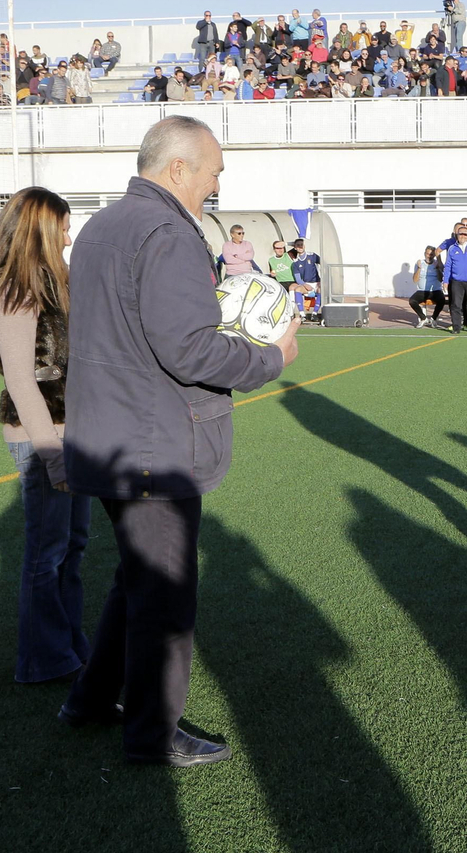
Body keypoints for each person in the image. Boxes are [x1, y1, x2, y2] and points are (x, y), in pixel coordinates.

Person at [60, 116, 300, 767]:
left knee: (135, 581)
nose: (215, 187)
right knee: (163, 594)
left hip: (107, 435)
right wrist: (270, 358)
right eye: (213, 174)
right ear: (178, 169)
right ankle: (151, 736)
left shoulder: (102, 225)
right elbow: (189, 349)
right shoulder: (167, 230)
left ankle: (90, 700)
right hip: (152, 442)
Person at [0, 187, 92, 685]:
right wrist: (53, 454)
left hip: (73, 432)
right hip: (41, 435)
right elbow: (22, 381)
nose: (68, 236)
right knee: (48, 552)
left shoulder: (52, 280)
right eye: (63, 226)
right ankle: (42, 660)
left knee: (73, 546)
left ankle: (68, 646)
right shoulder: (13, 289)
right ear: (41, 228)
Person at [410, 245, 446, 327]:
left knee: (442, 300)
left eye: (431, 254)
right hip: (422, 290)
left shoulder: (437, 264)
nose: (429, 256)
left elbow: (441, 279)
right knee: (412, 301)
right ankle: (423, 318)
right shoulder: (420, 263)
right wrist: (419, 268)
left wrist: (437, 269)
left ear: (434, 255)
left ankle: (433, 318)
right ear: (424, 254)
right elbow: (415, 280)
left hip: (435, 290)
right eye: (427, 254)